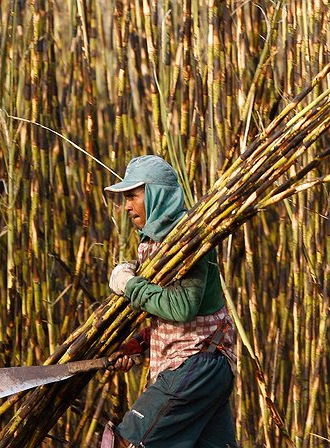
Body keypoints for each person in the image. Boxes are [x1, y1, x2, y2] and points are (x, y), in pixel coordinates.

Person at [101, 155, 238, 448]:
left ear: (156, 194)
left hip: (197, 364)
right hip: (203, 367)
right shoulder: (155, 245)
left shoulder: (187, 239)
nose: (126, 206)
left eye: (132, 196)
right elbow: (179, 319)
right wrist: (138, 344)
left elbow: (181, 307)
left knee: (124, 443)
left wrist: (131, 285)